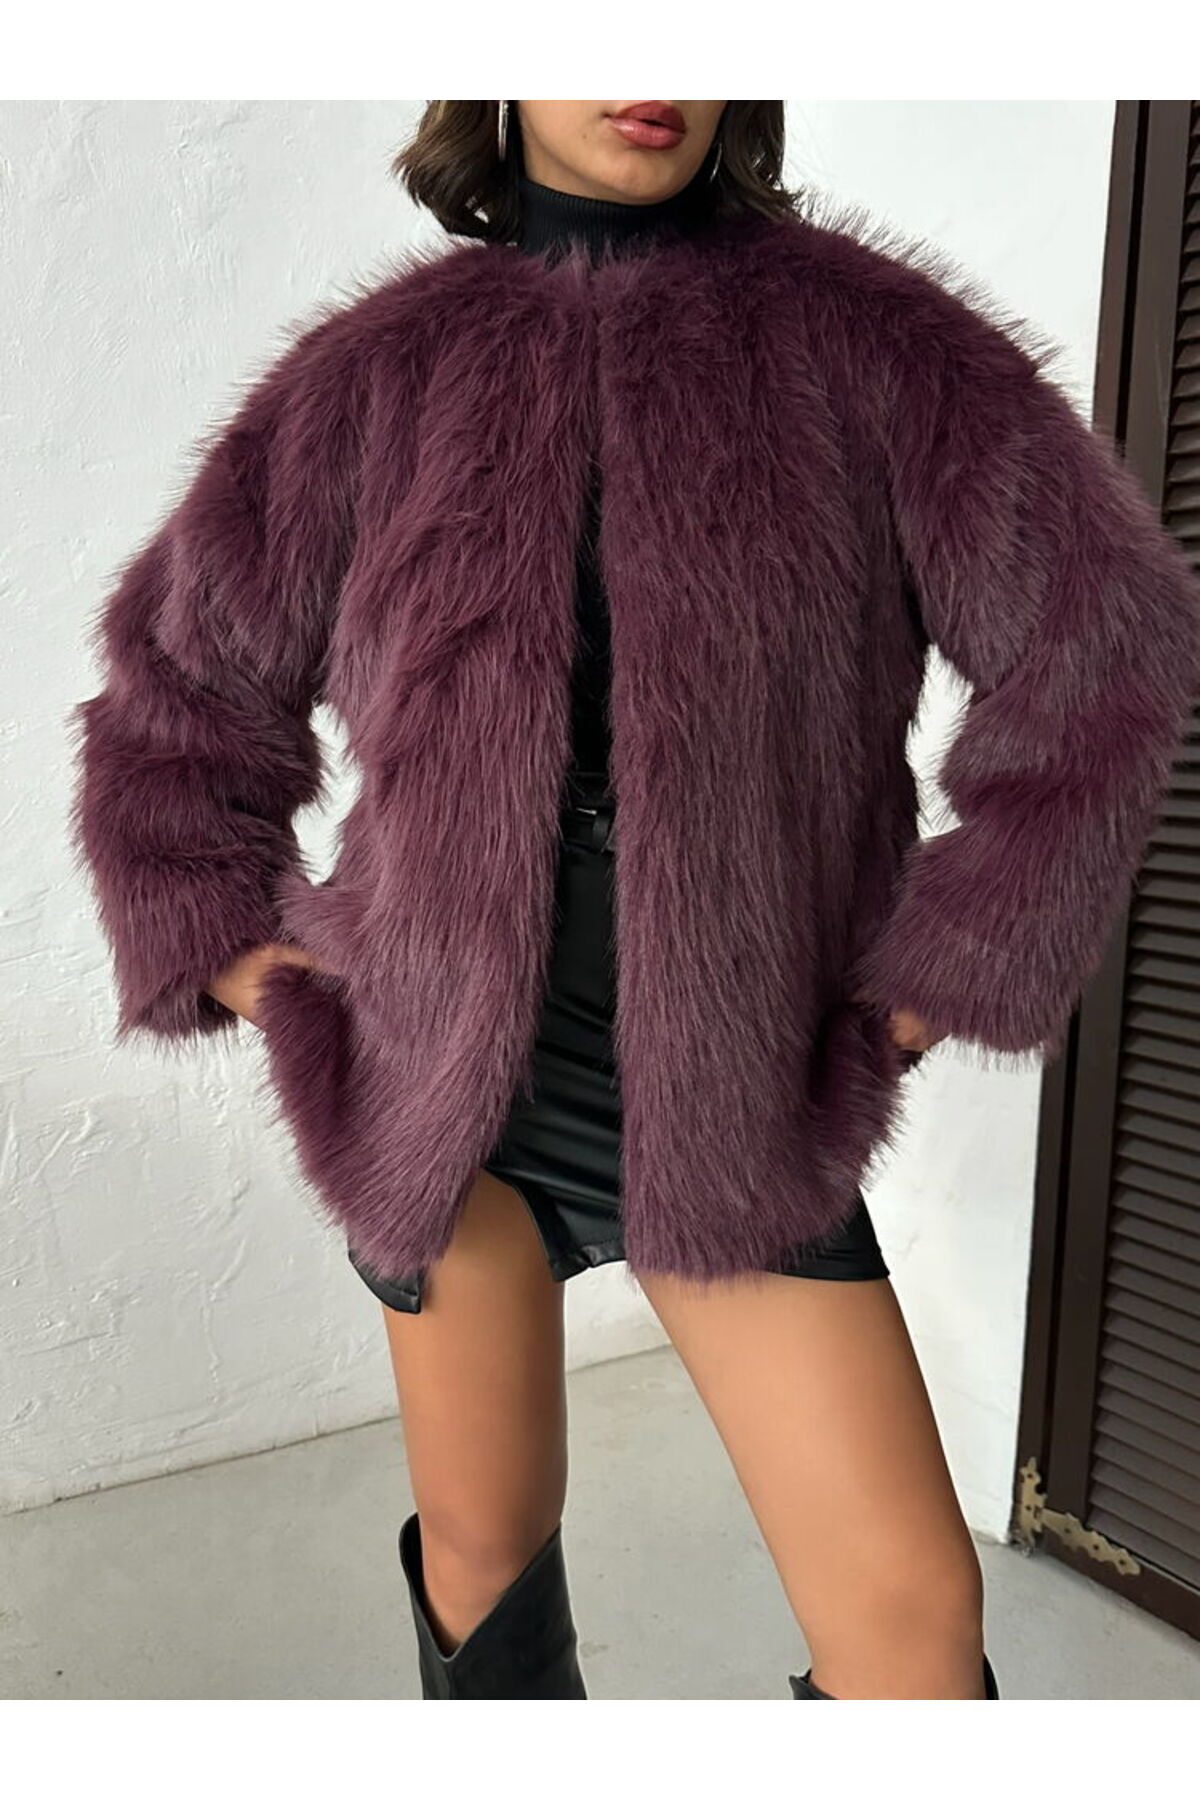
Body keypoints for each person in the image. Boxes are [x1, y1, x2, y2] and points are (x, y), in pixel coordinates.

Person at [69, 101, 1200, 1702]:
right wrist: (230, 948)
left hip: (741, 1070)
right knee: (484, 1553)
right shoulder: (374, 375)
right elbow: (181, 682)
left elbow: (1107, 643)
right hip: (438, 1066)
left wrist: (954, 957)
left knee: (911, 1626)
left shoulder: (873, 345)